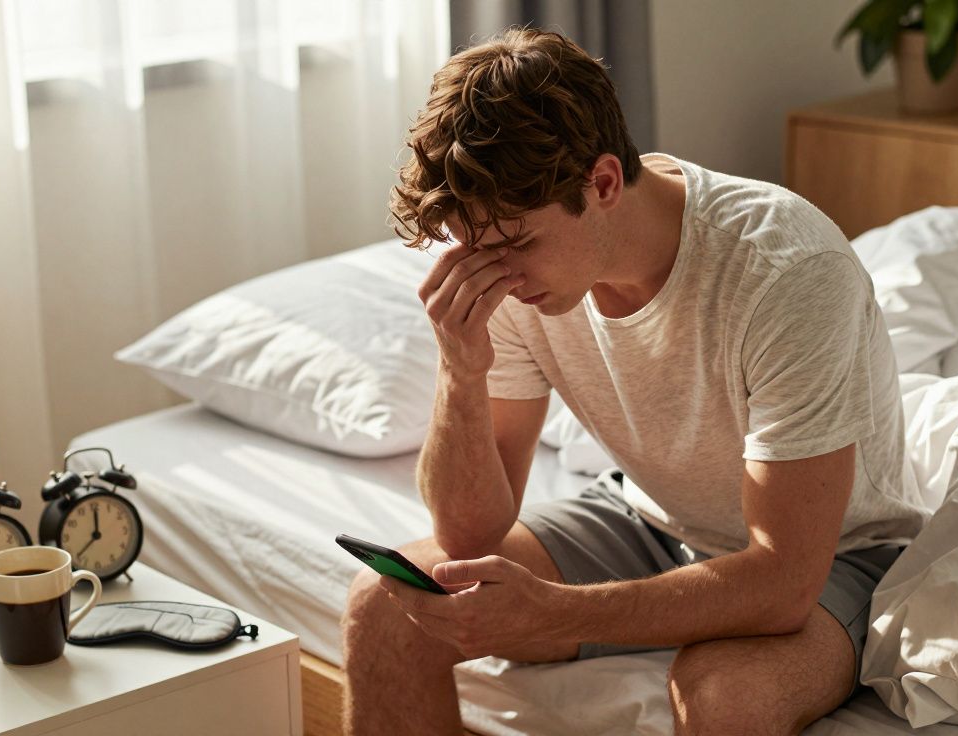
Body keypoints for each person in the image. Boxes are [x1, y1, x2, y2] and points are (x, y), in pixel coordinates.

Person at [341, 27, 926, 736]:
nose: (497, 275)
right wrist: (461, 371)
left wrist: (555, 611)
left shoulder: (786, 272)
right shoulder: (511, 277)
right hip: (649, 518)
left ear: (605, 183)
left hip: (837, 555)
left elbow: (780, 585)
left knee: (725, 697)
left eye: (516, 246)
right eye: (475, 250)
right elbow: (470, 534)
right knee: (385, 603)